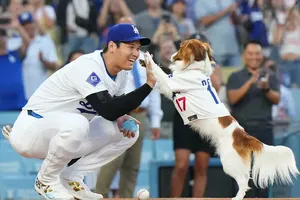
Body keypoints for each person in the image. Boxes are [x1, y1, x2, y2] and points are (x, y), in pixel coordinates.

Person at [2, 23, 156, 200]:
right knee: (79, 123)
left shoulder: (121, 74)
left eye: (138, 48)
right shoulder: (88, 66)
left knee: (130, 131)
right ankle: (45, 181)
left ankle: (71, 177)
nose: (136, 54)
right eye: (131, 47)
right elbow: (107, 109)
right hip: (32, 130)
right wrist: (149, 85)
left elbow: (114, 108)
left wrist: (121, 117)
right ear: (112, 46)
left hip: (61, 134)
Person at [95, 16, 163, 198]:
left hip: (141, 114)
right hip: (118, 113)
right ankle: (99, 196)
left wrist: (155, 120)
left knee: (132, 165)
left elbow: (154, 88)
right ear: (114, 43)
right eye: (129, 45)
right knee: (111, 161)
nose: (134, 50)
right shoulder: (109, 60)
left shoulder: (143, 58)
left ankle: (125, 198)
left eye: (136, 46)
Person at [226, 40, 280, 198]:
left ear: (262, 56)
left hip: (265, 130)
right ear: (244, 56)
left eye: (257, 54)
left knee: (263, 176)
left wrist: (266, 88)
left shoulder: (270, 76)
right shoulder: (235, 76)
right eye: (250, 54)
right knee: (241, 176)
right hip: (242, 132)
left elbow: (276, 99)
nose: (254, 57)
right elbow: (232, 99)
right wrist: (251, 81)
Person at [170, 33, 221, 198]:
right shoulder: (180, 65)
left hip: (205, 118)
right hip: (184, 117)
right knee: (181, 164)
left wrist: (205, 65)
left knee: (201, 165)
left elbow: (217, 87)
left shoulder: (213, 66)